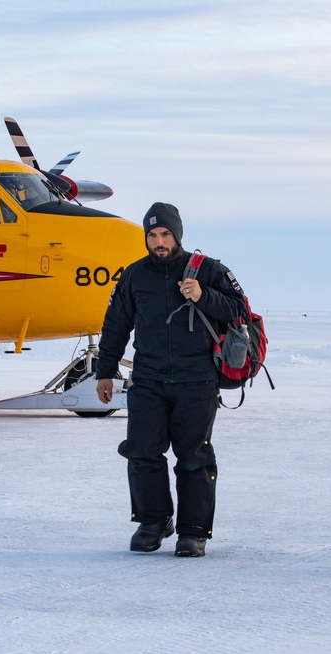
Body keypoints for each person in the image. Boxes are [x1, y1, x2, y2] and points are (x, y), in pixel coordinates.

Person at [95, 202, 247, 557]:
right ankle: (154, 521)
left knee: (193, 456)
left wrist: (203, 295)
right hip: (148, 379)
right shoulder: (134, 275)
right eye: (152, 235)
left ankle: (193, 532)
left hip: (198, 380)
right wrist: (105, 371)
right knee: (142, 451)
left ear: (177, 235)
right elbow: (116, 325)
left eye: (165, 234)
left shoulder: (208, 270)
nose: (159, 242)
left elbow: (239, 312)